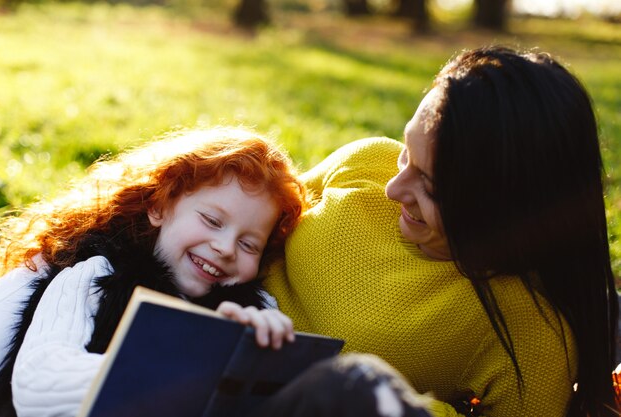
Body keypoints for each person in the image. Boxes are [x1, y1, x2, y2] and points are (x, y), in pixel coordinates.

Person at [263, 46, 619, 416]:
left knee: (354, 385)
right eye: (407, 152)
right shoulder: (365, 161)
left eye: (431, 189)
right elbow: (243, 220)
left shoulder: (529, 331)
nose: (394, 188)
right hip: (210, 341)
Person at [0, 127, 306, 417]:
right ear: (159, 207)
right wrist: (176, 378)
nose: (226, 248)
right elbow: (38, 381)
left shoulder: (255, 309)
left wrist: (262, 348)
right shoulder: (93, 277)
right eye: (212, 221)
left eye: (249, 244)